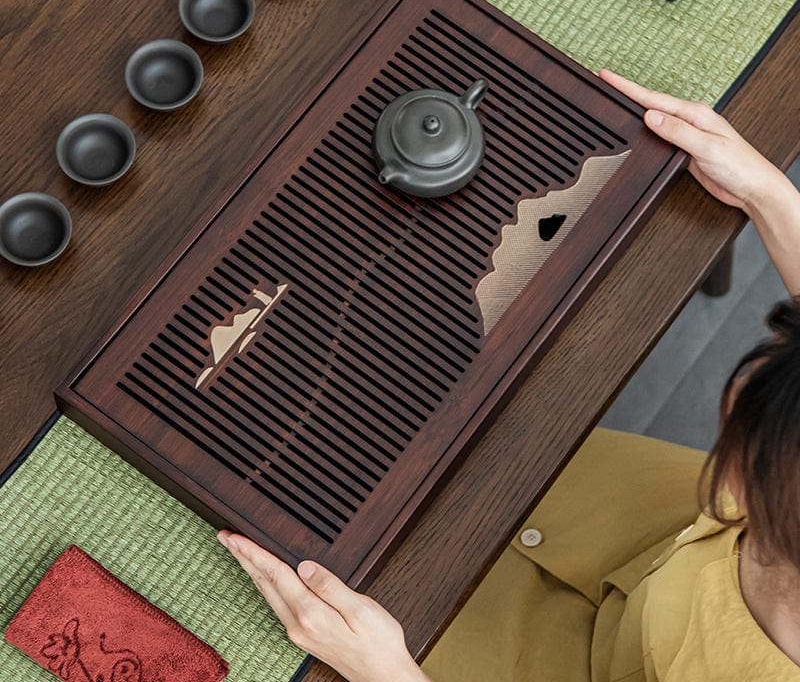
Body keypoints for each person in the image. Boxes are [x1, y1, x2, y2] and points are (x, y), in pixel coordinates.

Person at [216, 69, 800, 682]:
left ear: (747, 480)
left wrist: (385, 672)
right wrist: (770, 196)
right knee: (477, 436)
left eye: (736, 427)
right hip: (640, 517)